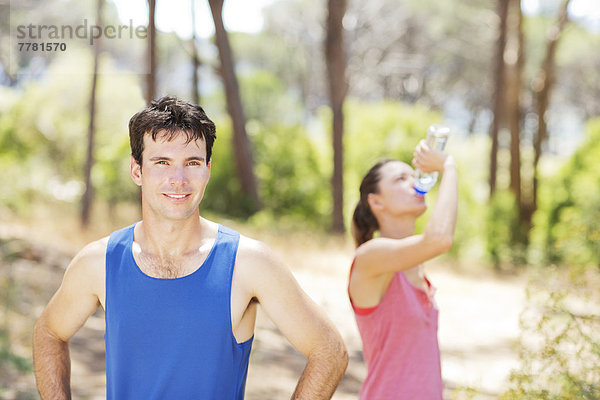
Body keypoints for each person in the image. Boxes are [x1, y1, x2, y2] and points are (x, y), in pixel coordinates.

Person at [33, 96, 348, 400]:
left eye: (192, 162)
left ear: (207, 170)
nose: (178, 179)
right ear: (136, 170)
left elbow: (329, 351)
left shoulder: (248, 263)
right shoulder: (99, 261)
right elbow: (49, 334)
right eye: (162, 162)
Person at [347, 139, 458, 399]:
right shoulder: (369, 257)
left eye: (414, 175)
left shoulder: (418, 270)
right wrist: (449, 168)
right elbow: (440, 239)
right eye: (400, 179)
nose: (415, 182)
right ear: (377, 202)